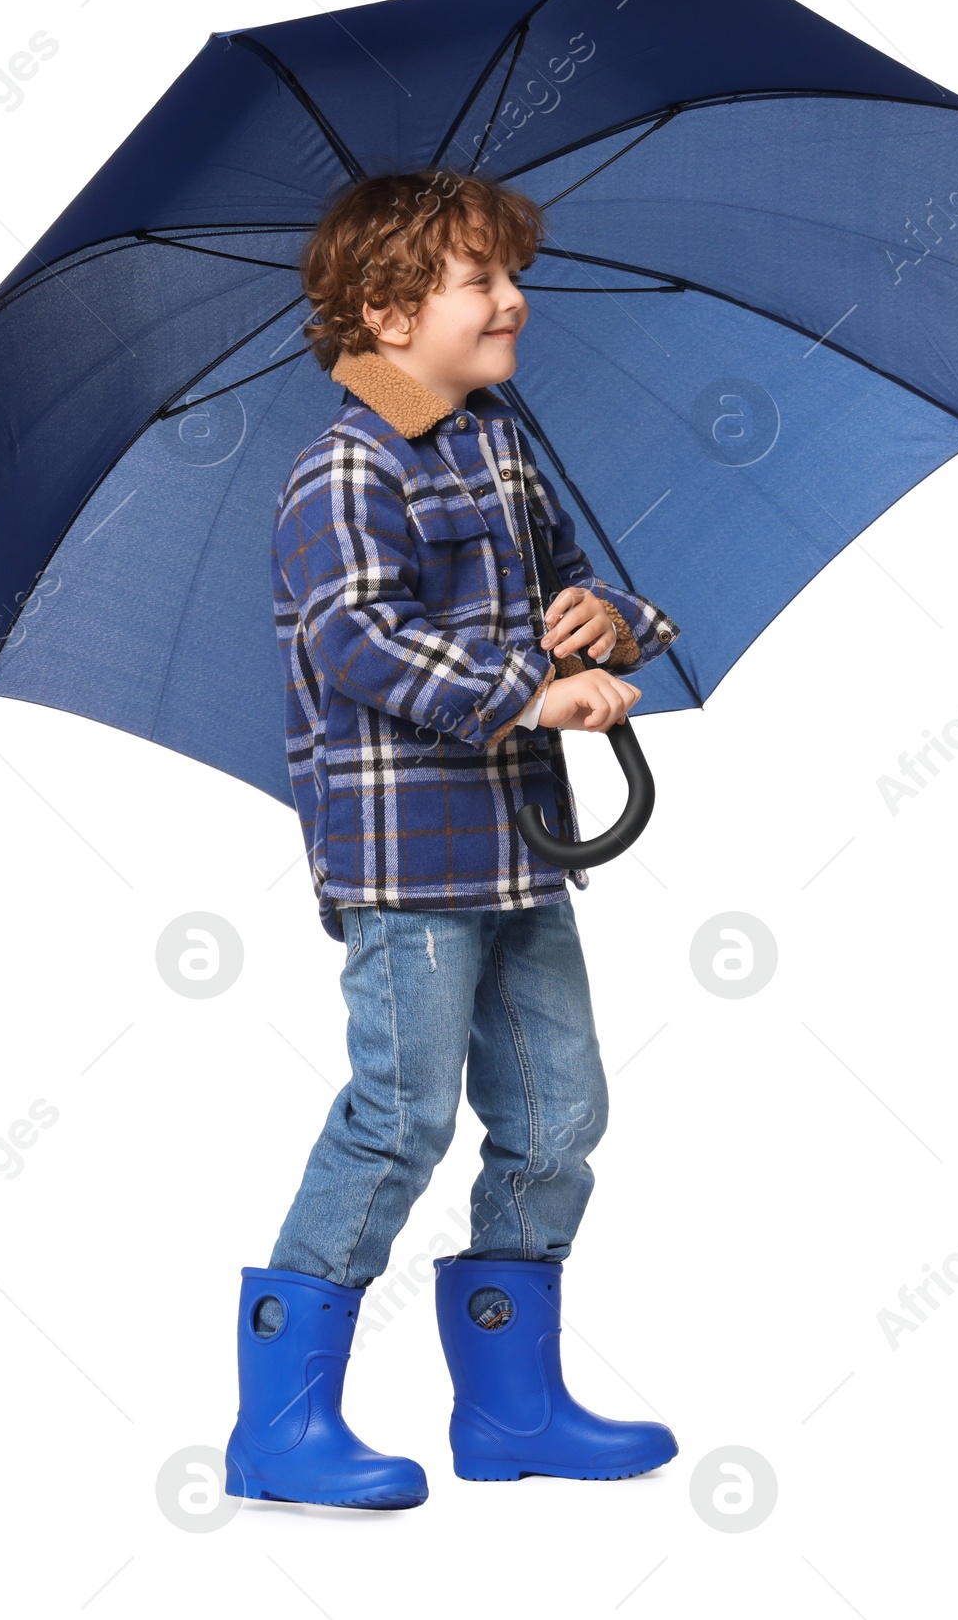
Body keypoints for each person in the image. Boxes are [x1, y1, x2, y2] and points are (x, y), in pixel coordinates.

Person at [224, 170, 681, 1509]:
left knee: (558, 1110)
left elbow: (565, 583)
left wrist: (610, 618)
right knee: (399, 1115)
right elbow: (354, 635)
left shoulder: (496, 443)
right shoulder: (344, 467)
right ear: (385, 307)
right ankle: (281, 1422)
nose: (513, 299)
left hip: (519, 852)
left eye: (506, 274)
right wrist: (529, 696)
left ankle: (511, 1408)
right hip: (409, 868)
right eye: (480, 278)